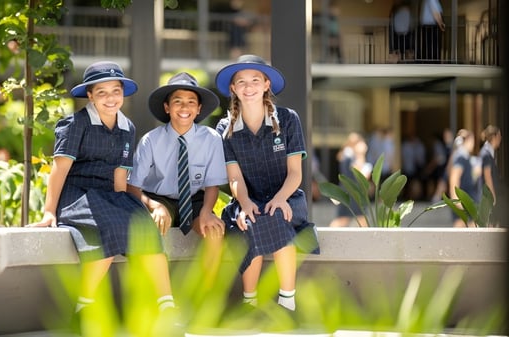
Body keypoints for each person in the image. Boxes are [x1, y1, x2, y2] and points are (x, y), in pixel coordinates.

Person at [27, 61, 176, 330]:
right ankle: (82, 309)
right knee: (107, 228)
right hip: (77, 195)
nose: (110, 98)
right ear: (90, 95)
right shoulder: (74, 124)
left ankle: (167, 307)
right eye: (102, 92)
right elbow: (58, 171)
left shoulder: (127, 128)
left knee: (143, 227)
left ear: (123, 93)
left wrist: (128, 207)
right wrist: (49, 212)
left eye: (115, 91)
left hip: (107, 193)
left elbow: (120, 178)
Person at [214, 54, 320, 312]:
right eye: (241, 82)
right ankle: (250, 303)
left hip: (286, 196)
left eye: (254, 80)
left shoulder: (288, 119)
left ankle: (287, 302)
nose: (248, 87)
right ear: (233, 88)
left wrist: (281, 198)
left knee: (275, 218)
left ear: (266, 85)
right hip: (247, 198)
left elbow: (295, 174)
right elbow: (234, 177)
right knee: (246, 223)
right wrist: (245, 202)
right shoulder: (224, 128)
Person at [128, 72, 228, 282]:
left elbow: (212, 185)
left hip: (194, 200)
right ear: (167, 107)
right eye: (178, 102)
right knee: (150, 229)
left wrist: (207, 212)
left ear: (199, 108)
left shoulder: (211, 139)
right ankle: (160, 296)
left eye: (191, 102)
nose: (184, 108)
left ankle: (205, 295)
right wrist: (154, 205)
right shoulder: (150, 141)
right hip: (159, 198)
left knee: (214, 230)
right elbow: (132, 186)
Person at [329, 132, 372, 228]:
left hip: (352, 193)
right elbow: (359, 174)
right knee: (345, 219)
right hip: (351, 193)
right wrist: (361, 155)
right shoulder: (348, 155)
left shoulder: (348, 155)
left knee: (356, 219)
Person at [448, 129, 481, 227]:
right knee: (460, 228)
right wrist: (456, 199)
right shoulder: (461, 156)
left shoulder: (464, 156)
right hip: (462, 200)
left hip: (468, 199)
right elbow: (454, 178)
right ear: (469, 140)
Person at [478, 125, 502, 226]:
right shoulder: (486, 154)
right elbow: (487, 176)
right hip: (487, 196)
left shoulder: (489, 153)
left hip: (489, 195)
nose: (500, 139)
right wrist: (492, 196)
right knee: (489, 222)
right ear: (494, 137)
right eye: (499, 136)